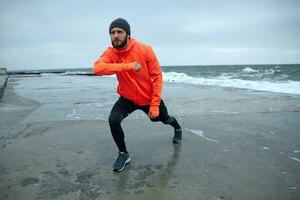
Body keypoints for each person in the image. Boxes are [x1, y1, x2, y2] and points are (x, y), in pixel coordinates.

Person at [93, 18, 182, 172]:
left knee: (162, 119)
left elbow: (157, 77)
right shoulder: (110, 52)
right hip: (127, 98)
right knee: (113, 119)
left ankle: (177, 128)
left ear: (128, 34)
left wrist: (154, 105)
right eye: (112, 32)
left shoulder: (145, 50)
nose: (116, 36)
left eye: (120, 32)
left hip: (148, 98)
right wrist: (128, 66)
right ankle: (123, 154)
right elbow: (98, 69)